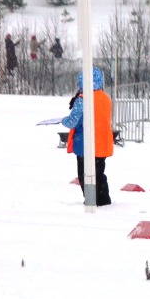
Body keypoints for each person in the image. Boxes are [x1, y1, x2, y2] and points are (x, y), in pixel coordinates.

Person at [60, 67, 114, 206]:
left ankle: (92, 201)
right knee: (99, 174)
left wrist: (63, 120)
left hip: (86, 144)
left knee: (86, 176)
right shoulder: (105, 98)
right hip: (102, 143)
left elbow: (73, 121)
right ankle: (104, 200)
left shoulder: (83, 100)